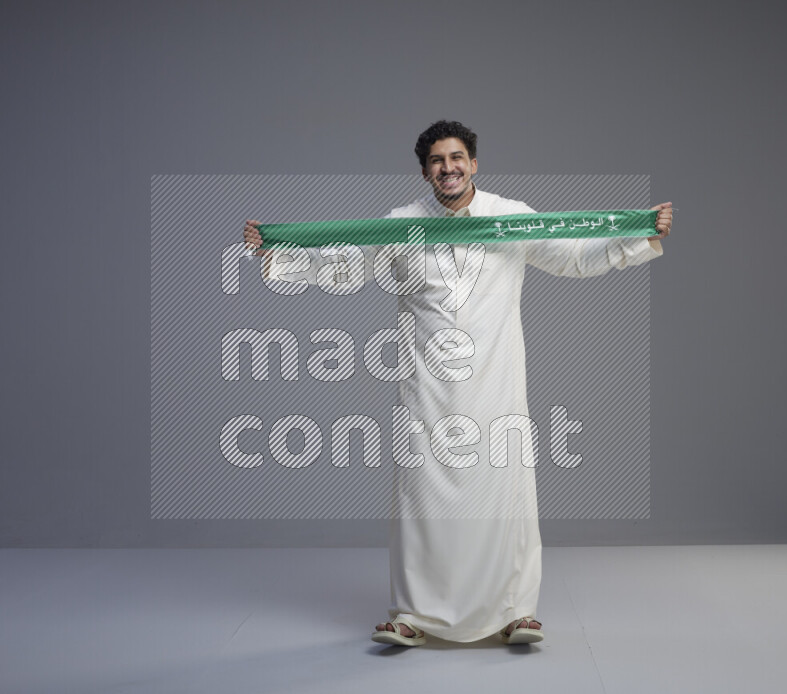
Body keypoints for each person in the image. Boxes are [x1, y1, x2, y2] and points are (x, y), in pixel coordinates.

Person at [244, 120, 673, 647]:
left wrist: (639, 236)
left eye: (457, 158)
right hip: (425, 387)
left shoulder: (511, 218)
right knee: (422, 499)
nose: (448, 168)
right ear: (425, 171)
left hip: (497, 383)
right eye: (437, 161)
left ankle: (516, 611)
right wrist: (278, 255)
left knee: (504, 494)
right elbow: (348, 267)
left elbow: (571, 257)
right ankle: (414, 615)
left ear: (474, 163)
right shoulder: (402, 224)